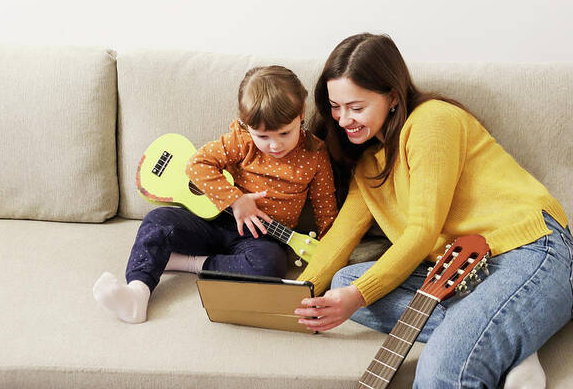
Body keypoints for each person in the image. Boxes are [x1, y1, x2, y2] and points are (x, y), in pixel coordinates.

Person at [293, 33, 572, 389]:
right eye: (335, 106)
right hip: (459, 270)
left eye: (356, 107)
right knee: (343, 282)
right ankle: (511, 336)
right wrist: (295, 294)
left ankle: (512, 320)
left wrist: (359, 297)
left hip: (527, 247)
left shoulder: (431, 122)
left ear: (392, 97)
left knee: (440, 369)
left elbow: (423, 231)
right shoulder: (369, 166)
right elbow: (340, 239)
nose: (343, 119)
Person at [93, 65, 338, 324]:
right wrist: (236, 200)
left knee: (270, 266)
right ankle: (137, 294)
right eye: (263, 136)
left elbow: (325, 206)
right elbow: (197, 164)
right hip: (214, 220)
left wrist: (330, 250)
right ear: (246, 125)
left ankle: (187, 262)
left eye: (285, 133)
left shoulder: (315, 155)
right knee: (157, 221)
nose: (275, 145)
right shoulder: (241, 140)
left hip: (262, 238)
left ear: (301, 114)